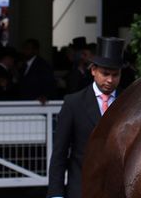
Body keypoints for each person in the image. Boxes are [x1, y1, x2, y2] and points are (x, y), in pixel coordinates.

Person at [47, 36, 125, 198]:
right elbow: (60, 153)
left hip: (118, 189)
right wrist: (56, 194)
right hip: (82, 188)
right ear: (93, 70)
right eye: (105, 74)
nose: (110, 80)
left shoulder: (127, 102)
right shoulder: (73, 103)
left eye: (115, 75)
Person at [17, 38, 57, 103]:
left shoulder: (43, 65)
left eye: (28, 48)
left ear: (35, 51)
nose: (25, 51)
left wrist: (45, 96)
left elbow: (49, 84)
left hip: (37, 103)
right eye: (24, 48)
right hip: (25, 102)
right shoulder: (24, 66)